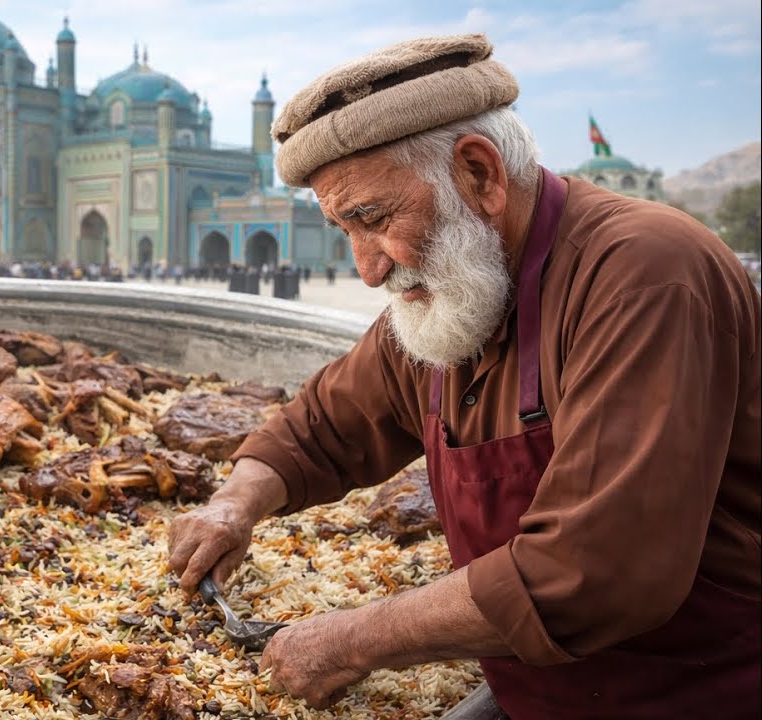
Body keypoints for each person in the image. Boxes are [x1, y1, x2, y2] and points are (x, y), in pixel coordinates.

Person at [167, 33, 760, 719]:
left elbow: (594, 570)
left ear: (478, 174)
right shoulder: (459, 287)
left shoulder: (646, 272)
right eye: (343, 232)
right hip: (539, 688)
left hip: (695, 693)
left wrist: (358, 639)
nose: (368, 269)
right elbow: (327, 423)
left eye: (374, 219)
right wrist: (234, 503)